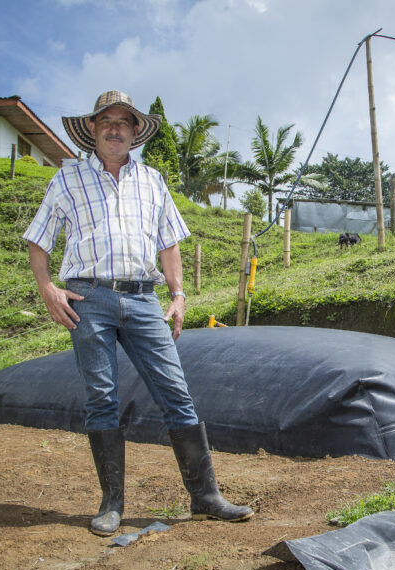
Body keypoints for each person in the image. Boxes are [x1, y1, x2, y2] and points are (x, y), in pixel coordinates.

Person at [23, 90, 253, 536]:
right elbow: (38, 238)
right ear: (92, 129)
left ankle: (206, 497)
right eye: (106, 121)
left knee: (175, 391)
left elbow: (169, 242)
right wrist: (48, 288)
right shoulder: (67, 180)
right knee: (102, 396)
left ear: (134, 132)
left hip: (145, 299)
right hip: (89, 299)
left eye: (123, 123)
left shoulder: (152, 180)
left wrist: (179, 293)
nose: (114, 129)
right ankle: (112, 504)